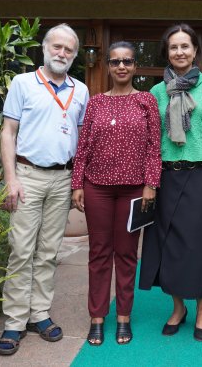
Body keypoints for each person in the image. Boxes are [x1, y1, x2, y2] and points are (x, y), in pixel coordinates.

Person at [0, 23, 89, 356]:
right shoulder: (23, 83)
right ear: (45, 48)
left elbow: (81, 140)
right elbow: (8, 132)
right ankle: (14, 322)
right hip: (28, 176)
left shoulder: (81, 89)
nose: (62, 53)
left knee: (48, 251)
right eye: (57, 47)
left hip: (62, 179)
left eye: (69, 49)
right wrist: (11, 178)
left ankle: (39, 314)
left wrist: (78, 182)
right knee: (21, 250)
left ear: (74, 55)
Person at [138, 23, 202, 342]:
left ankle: (201, 308)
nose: (179, 52)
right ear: (167, 52)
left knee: (194, 243)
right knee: (166, 242)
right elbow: (151, 138)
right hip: (163, 174)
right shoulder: (155, 93)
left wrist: (197, 158)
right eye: (174, 47)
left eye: (185, 46)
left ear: (195, 50)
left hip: (197, 173)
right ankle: (178, 307)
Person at [71, 41, 162, 346]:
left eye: (127, 61)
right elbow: (82, 147)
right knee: (98, 253)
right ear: (108, 67)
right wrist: (77, 184)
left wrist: (151, 184)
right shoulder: (96, 103)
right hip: (97, 187)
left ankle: (124, 316)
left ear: (135, 66)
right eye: (115, 62)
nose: (121, 66)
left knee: (125, 254)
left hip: (134, 190)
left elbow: (154, 147)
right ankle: (97, 317)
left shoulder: (146, 101)